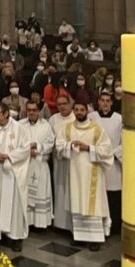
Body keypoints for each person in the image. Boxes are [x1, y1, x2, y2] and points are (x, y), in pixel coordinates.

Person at [56, 99, 114, 250]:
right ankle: (79, 236)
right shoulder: (67, 128)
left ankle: (94, 239)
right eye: (77, 110)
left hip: (92, 172)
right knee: (77, 201)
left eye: (82, 110)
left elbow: (106, 149)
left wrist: (88, 148)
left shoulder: (97, 129)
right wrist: (70, 145)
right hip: (74, 172)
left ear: (87, 111)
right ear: (73, 111)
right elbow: (59, 146)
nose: (79, 112)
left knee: (92, 204)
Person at [0, 102, 31, 250]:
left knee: (14, 206)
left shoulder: (18, 128)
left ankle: (15, 237)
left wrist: (9, 156)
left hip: (12, 171)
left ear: (6, 114)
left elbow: (26, 148)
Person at [89, 93, 123, 233]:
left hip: (113, 163)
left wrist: (113, 154)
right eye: (102, 101)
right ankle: (98, 225)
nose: (105, 103)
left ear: (111, 103)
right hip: (96, 160)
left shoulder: (119, 119)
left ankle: (114, 226)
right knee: (97, 193)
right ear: (98, 102)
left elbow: (124, 140)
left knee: (113, 193)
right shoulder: (92, 118)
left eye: (108, 101)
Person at [20, 100, 55, 229]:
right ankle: (27, 222)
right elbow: (16, 143)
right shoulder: (20, 125)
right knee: (26, 192)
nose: (31, 113)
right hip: (26, 165)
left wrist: (38, 148)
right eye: (29, 110)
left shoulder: (45, 125)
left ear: (39, 111)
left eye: (34, 110)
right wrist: (27, 151)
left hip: (40, 165)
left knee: (41, 193)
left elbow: (51, 144)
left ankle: (41, 223)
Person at [49, 93, 76, 231]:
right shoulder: (53, 119)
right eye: (59, 104)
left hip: (75, 162)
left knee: (73, 191)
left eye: (64, 104)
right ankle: (60, 223)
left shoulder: (76, 118)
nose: (62, 107)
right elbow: (50, 138)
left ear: (70, 104)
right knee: (60, 190)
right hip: (59, 161)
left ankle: (72, 225)